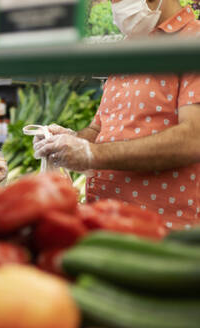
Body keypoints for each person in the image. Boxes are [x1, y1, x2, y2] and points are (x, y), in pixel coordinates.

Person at [33, 0, 200, 229]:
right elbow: (99, 129)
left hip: (165, 234)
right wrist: (70, 141)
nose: (116, 6)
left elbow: (193, 138)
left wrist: (93, 154)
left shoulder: (193, 41)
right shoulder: (129, 48)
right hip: (106, 227)